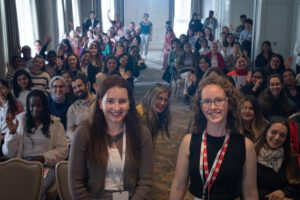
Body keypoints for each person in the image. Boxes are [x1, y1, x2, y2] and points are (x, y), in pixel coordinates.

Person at [170, 74, 258, 200]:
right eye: (207, 101)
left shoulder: (246, 146)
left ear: (229, 103)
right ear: (200, 106)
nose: (213, 107)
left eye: (219, 100)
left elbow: (250, 193)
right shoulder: (189, 142)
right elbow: (178, 187)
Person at [68, 75, 153, 199]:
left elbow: (145, 182)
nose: (117, 107)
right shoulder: (84, 133)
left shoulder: (141, 133)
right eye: (110, 101)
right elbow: (76, 185)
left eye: (122, 101)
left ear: (130, 103)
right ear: (100, 103)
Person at [256, 117, 300, 200]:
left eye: (282, 135)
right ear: (266, 132)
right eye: (274, 132)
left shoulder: (291, 157)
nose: (277, 138)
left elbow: (297, 184)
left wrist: (284, 191)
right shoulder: (252, 154)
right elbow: (246, 189)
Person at [66, 75, 96, 143]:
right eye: (74, 88)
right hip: (82, 142)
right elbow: (69, 130)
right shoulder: (72, 108)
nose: (77, 90)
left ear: (87, 85)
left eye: (79, 86)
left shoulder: (100, 102)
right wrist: (78, 141)